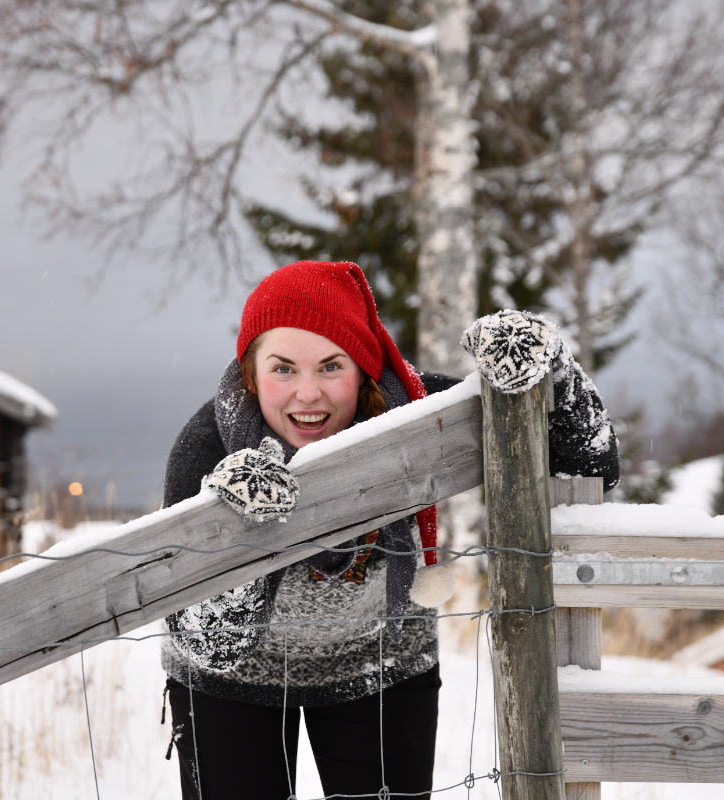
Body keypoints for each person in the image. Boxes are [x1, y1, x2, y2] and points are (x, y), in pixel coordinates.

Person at [159, 260, 619, 800]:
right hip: (231, 686)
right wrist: (242, 532)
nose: (308, 394)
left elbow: (592, 464)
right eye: (283, 369)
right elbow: (208, 643)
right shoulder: (205, 449)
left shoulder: (417, 411)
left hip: (382, 663)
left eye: (331, 367)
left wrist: (551, 371)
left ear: (364, 369)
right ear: (250, 372)